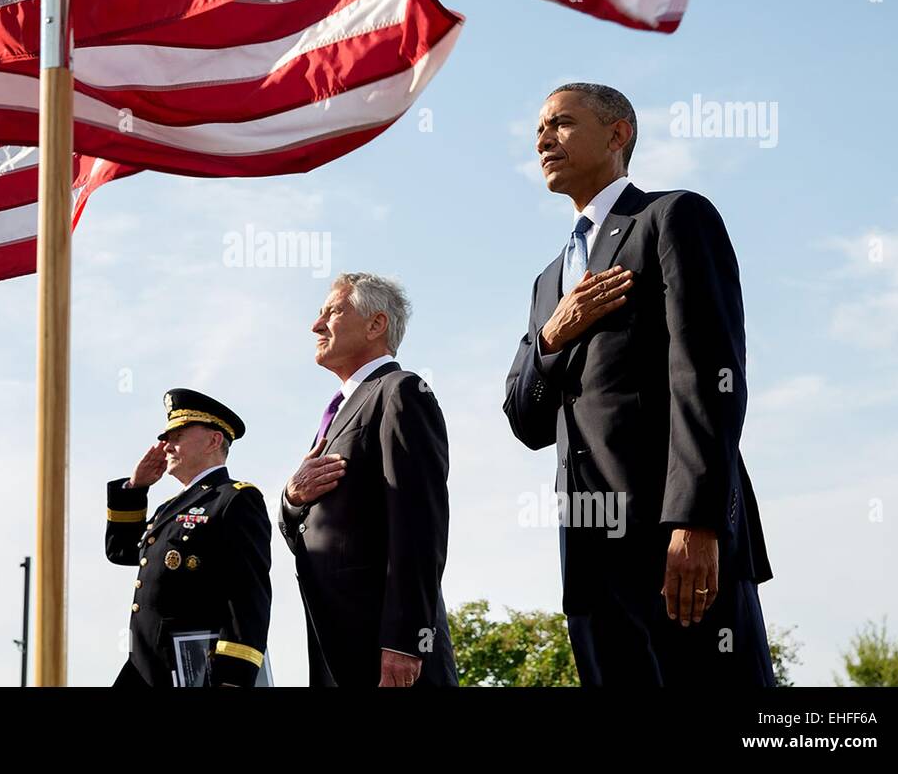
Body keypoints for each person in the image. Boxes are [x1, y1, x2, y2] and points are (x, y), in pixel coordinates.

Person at [503, 82, 774, 686]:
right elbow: (525, 420)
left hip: (676, 545)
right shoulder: (548, 283)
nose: (543, 139)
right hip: (590, 564)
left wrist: (696, 521)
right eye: (538, 130)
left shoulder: (673, 216)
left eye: (561, 123)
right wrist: (551, 337)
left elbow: (708, 377)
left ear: (617, 133)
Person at [279, 272, 458, 686]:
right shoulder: (338, 412)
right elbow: (308, 532)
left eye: (332, 312)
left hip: (383, 648)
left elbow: (420, 525)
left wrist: (406, 640)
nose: (316, 325)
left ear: (376, 324)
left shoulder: (400, 391)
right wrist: (292, 498)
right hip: (335, 644)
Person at [105, 388, 271, 687]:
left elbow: (247, 597)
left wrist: (232, 678)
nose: (166, 446)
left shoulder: (234, 499)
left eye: (177, 436)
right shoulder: (167, 509)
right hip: (145, 669)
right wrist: (135, 488)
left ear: (213, 441)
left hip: (196, 671)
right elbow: (122, 551)